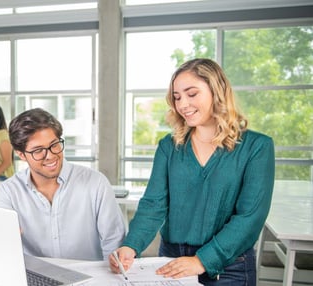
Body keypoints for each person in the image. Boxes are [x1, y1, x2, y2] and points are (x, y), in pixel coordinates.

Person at [109, 58, 275, 285]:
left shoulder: (257, 147)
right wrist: (131, 245)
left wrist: (201, 261)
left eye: (192, 94)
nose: (183, 104)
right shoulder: (169, 146)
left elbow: (250, 217)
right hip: (171, 261)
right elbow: (153, 205)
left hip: (229, 268)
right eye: (177, 97)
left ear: (217, 91)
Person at [0, 108, 126, 261]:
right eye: (38, 150)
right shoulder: (8, 192)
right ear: (21, 154)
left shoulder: (95, 183)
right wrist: (4, 240)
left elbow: (114, 243)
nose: (50, 156)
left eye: (54, 144)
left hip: (90, 277)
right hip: (35, 279)